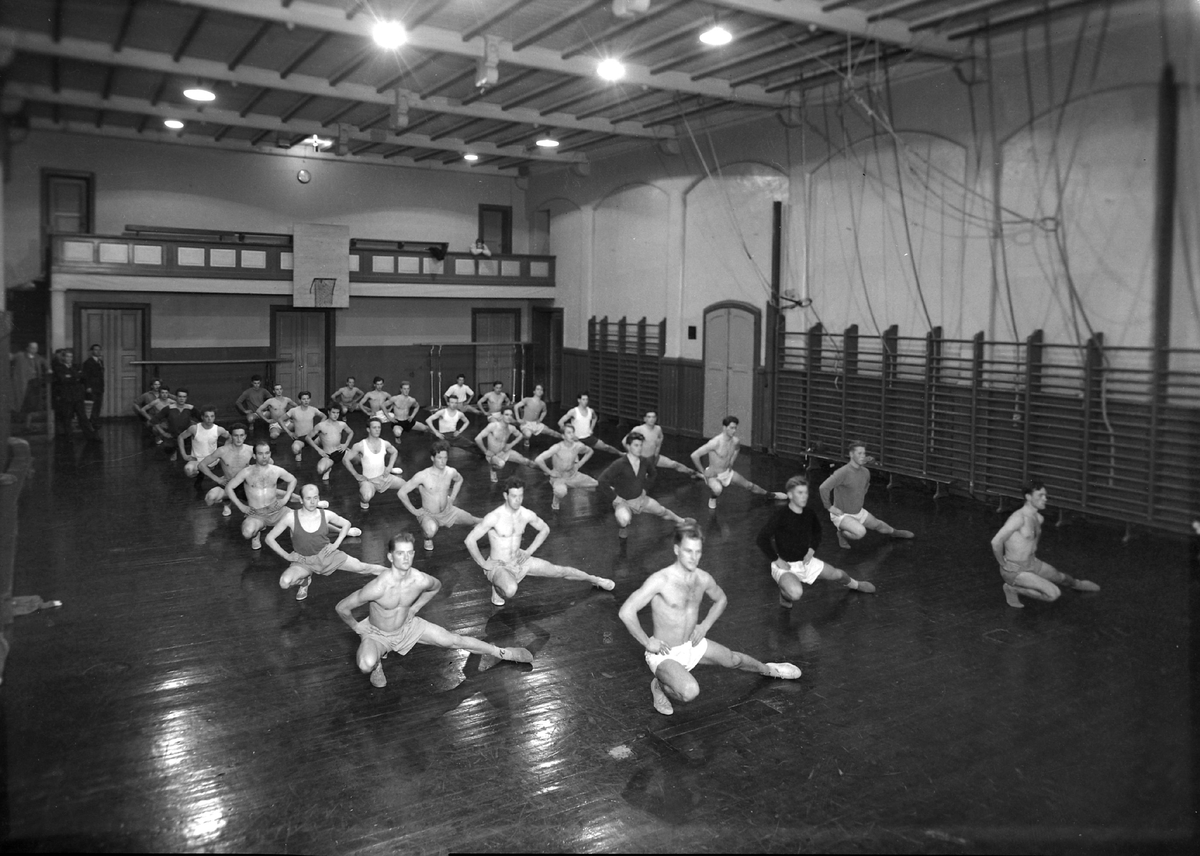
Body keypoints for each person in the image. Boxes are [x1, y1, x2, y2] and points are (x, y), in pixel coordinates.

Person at [618, 523, 802, 716]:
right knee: (690, 692)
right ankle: (659, 685)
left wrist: (704, 626)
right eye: (688, 551)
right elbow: (626, 611)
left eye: (698, 552)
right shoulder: (660, 580)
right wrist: (647, 643)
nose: (693, 557)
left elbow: (721, 599)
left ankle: (768, 669)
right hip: (665, 654)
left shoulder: (702, 578)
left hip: (691, 643)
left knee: (733, 659)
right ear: (676, 550)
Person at [335, 531, 533, 689]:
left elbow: (436, 587)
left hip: (408, 626)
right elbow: (342, 607)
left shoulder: (420, 579)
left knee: (454, 640)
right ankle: (377, 664)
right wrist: (358, 628)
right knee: (365, 664)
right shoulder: (377, 587)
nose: (405, 558)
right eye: (399, 553)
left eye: (409, 553)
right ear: (390, 556)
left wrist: (415, 607)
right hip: (378, 634)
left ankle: (504, 653)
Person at [465, 476, 615, 606]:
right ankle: (497, 586)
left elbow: (545, 529)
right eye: (513, 496)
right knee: (510, 590)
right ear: (505, 496)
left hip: (519, 560)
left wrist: (529, 551)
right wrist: (483, 563)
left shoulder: (525, 514)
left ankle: (595, 579)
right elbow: (470, 540)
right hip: (499, 565)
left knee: (559, 571)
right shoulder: (494, 517)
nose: (517, 500)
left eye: (520, 496)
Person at [757, 475, 876, 608]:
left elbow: (817, 532)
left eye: (805, 493)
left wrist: (811, 550)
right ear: (790, 495)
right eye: (799, 493)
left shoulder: (809, 513)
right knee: (796, 593)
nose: (804, 496)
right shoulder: (780, 516)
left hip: (806, 562)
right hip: (785, 566)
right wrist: (777, 560)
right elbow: (761, 539)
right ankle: (784, 594)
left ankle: (856, 585)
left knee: (838, 574)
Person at [265, 484, 386, 601]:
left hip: (327, 555)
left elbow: (346, 524)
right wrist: (286, 555)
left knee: (363, 567)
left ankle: (394, 573)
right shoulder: (290, 517)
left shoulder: (326, 515)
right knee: (284, 582)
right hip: (303, 560)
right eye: (308, 498)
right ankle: (304, 581)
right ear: (301, 500)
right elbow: (269, 538)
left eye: (315, 498)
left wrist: (336, 545)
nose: (312, 502)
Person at [991, 481, 1100, 608]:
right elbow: (996, 541)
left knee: (1060, 577)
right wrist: (1003, 564)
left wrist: (1034, 547)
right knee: (1053, 594)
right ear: (1028, 497)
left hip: (1032, 562)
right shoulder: (1018, 518)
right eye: (1040, 496)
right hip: (1014, 570)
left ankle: (1077, 584)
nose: (1045, 499)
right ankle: (1013, 589)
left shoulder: (1038, 517)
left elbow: (1034, 537)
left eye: (1045, 495)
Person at [819, 440, 914, 549]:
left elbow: (865, 486)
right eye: (859, 453)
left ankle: (894, 532)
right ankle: (842, 534)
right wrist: (830, 507)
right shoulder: (842, 473)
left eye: (863, 453)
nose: (862, 456)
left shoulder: (865, 472)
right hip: (842, 515)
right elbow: (823, 487)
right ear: (851, 454)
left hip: (858, 511)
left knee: (878, 525)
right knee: (861, 532)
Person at [597, 430, 686, 539]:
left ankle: (681, 521)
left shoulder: (645, 461)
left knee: (661, 511)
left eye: (640, 445)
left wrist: (645, 489)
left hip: (640, 499)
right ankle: (623, 528)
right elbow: (602, 480)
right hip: (623, 502)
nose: (639, 448)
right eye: (636, 445)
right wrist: (615, 498)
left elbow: (653, 474)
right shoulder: (619, 464)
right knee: (624, 519)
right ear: (629, 447)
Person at [398, 440, 480, 552]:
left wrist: (452, 497)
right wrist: (414, 511)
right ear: (432, 458)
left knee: (473, 521)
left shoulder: (451, 472)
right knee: (430, 531)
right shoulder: (422, 476)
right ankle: (427, 538)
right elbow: (402, 492)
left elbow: (459, 480)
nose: (443, 461)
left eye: (445, 458)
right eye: (439, 458)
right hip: (429, 514)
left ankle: (496, 525)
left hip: (448, 511)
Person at [691, 416, 786, 509]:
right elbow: (694, 455)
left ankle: (771, 495)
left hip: (727, 473)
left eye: (735, 428)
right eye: (731, 428)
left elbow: (737, 449)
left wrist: (731, 461)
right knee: (717, 489)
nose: (734, 431)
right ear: (724, 427)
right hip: (713, 475)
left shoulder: (735, 441)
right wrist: (704, 472)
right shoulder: (715, 443)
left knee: (749, 485)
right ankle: (712, 498)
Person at [225, 440, 298, 550]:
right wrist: (241, 506)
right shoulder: (246, 472)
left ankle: (298, 548)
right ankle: (257, 532)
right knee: (247, 532)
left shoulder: (276, 470)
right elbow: (229, 487)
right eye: (260, 453)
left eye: (267, 453)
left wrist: (285, 499)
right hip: (256, 513)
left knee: (300, 522)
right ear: (254, 455)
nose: (264, 457)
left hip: (277, 510)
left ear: (270, 454)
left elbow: (292, 480)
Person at [343, 417, 404, 510]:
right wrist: (356, 475)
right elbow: (345, 460)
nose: (377, 430)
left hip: (385, 477)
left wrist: (389, 467)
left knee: (409, 486)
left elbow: (394, 452)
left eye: (379, 427)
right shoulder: (360, 445)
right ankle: (363, 499)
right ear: (368, 429)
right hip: (368, 480)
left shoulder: (385, 443)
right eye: (374, 427)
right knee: (366, 497)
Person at [533, 422, 597, 511]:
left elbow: (590, 451)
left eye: (572, 432)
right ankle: (555, 502)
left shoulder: (577, 446)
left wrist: (579, 464)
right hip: (559, 477)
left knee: (597, 484)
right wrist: (549, 472)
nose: (571, 435)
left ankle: (575, 489)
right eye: (568, 433)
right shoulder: (557, 447)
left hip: (573, 475)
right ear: (563, 436)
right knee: (561, 492)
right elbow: (538, 459)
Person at [198, 422, 253, 516]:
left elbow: (269, 462)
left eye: (241, 435)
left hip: (245, 485)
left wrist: (254, 471)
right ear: (231, 436)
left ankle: (250, 506)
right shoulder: (222, 451)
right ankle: (226, 501)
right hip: (228, 482)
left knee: (259, 504)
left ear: (245, 436)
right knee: (210, 498)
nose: (239, 439)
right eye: (236, 436)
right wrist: (217, 479)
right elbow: (201, 465)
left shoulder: (251, 450)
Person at [631, 411, 700, 478]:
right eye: (649, 417)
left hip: (654, 457)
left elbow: (660, 437)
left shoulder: (658, 429)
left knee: (674, 464)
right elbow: (625, 442)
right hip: (642, 459)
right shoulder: (638, 429)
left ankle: (693, 473)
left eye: (653, 417)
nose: (651, 419)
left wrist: (657, 451)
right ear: (644, 419)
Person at [474, 408, 534, 483]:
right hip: (493, 455)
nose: (509, 417)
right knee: (501, 464)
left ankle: (549, 473)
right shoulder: (493, 426)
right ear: (501, 416)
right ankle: (493, 470)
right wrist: (485, 451)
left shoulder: (511, 428)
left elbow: (520, 435)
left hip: (505, 452)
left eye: (511, 415)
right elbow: (477, 438)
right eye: (506, 414)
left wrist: (510, 445)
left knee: (526, 461)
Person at [52, 349, 98, 439]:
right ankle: (69, 437)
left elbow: (83, 377)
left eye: (71, 356)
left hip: (78, 396)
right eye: (67, 356)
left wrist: (71, 376)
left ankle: (91, 436)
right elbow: (63, 379)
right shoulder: (59, 368)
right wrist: (76, 376)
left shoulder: (76, 366)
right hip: (67, 396)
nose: (69, 358)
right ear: (63, 357)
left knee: (83, 417)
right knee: (67, 417)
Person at [178, 406, 230, 478]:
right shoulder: (194, 428)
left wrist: (223, 450)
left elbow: (230, 437)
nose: (209, 419)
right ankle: (201, 472)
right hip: (197, 460)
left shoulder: (219, 429)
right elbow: (180, 437)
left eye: (212, 416)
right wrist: (184, 455)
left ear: (214, 417)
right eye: (207, 416)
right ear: (202, 417)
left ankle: (207, 470)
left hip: (212, 460)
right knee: (188, 470)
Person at [10, 341, 50, 431]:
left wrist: (49, 369)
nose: (34, 350)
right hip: (23, 384)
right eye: (32, 348)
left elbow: (45, 363)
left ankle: (27, 425)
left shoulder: (38, 357)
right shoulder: (20, 355)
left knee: (31, 405)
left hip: (34, 384)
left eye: (36, 348)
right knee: (20, 403)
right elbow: (11, 357)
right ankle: (19, 424)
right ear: (27, 348)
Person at [307, 405, 354, 481]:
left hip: (341, 451)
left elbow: (351, 432)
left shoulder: (342, 424)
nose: (336, 415)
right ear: (329, 412)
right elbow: (308, 438)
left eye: (337, 413)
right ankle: (328, 468)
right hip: (328, 455)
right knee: (320, 470)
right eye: (333, 412)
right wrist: (318, 450)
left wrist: (346, 444)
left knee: (360, 459)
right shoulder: (321, 425)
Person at [152, 388, 196, 457]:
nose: (182, 399)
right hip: (172, 437)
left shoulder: (190, 408)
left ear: (186, 398)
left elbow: (202, 419)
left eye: (184, 397)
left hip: (187, 437)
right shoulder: (169, 408)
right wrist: (163, 433)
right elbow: (154, 420)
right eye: (180, 396)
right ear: (176, 397)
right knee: (167, 448)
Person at [283, 391, 323, 461]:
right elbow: (280, 420)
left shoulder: (313, 409)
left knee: (327, 438)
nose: (306, 401)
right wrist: (289, 432)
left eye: (307, 399)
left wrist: (318, 428)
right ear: (299, 400)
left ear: (310, 399)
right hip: (300, 438)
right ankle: (299, 453)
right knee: (295, 449)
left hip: (312, 437)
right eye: (304, 399)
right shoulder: (293, 411)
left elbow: (324, 416)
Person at [80, 343, 105, 421]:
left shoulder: (100, 361)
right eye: (95, 350)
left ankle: (96, 420)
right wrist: (88, 386)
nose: (97, 351)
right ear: (92, 351)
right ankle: (92, 421)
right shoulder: (88, 362)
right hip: (92, 387)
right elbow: (85, 376)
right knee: (93, 405)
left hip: (99, 387)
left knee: (98, 404)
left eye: (99, 350)